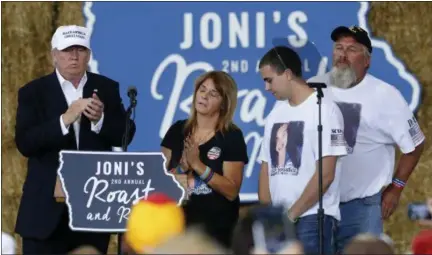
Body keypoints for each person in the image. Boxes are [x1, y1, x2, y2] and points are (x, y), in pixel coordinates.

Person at [14, 25, 136, 254]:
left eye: (80, 50)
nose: (74, 56)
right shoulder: (33, 92)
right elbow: (25, 143)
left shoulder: (107, 88)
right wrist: (65, 119)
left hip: (92, 210)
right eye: (68, 50)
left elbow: (126, 136)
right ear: (54, 55)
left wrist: (100, 120)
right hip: (45, 214)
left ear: (89, 55)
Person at [307, 25, 425, 252]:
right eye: (338, 48)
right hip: (318, 204)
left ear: (367, 60)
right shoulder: (314, 88)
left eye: (351, 49)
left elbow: (416, 144)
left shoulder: (386, 95)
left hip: (361, 207)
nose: (342, 55)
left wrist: (396, 187)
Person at [257, 46, 348, 255]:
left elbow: (326, 174)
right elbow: (266, 168)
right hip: (279, 222)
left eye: (269, 80)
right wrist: (269, 216)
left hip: (313, 219)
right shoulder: (275, 112)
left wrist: (291, 215)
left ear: (288, 74)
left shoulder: (325, 110)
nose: (266, 87)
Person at [160, 70, 249, 248]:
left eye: (213, 93)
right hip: (178, 231)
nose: (204, 96)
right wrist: (182, 168)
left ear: (224, 103)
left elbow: (231, 190)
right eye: (202, 89)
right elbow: (159, 182)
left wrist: (198, 165)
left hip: (216, 234)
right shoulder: (177, 131)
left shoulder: (232, 136)